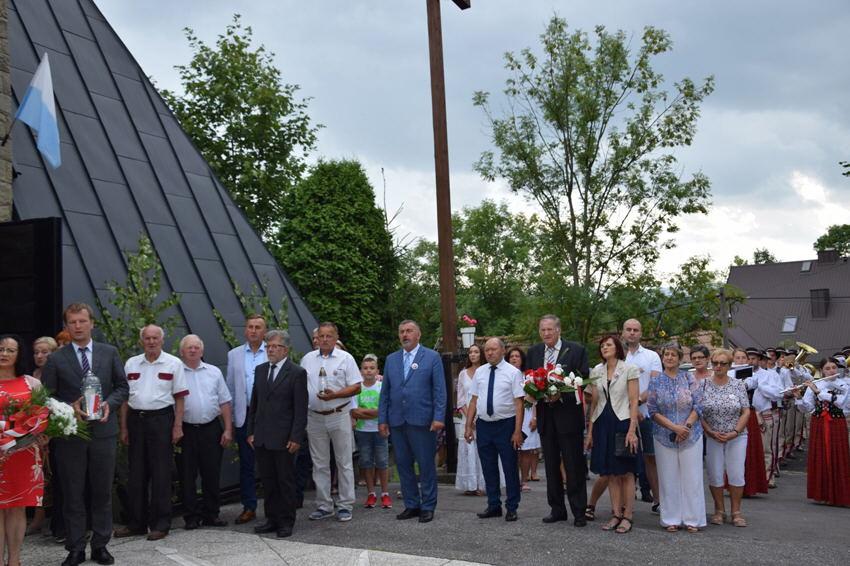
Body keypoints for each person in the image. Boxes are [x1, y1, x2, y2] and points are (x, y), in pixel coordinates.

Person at [41, 303, 129, 566]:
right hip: (71, 436)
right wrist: (69, 407)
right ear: (66, 326)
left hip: (104, 432)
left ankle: (100, 545)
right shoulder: (56, 359)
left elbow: (123, 387)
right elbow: (47, 396)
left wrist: (109, 404)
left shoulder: (109, 352)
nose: (78, 326)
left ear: (92, 323)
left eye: (82, 321)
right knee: (73, 492)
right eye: (72, 322)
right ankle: (76, 547)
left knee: (102, 492)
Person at [116, 325, 189, 541]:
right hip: (136, 421)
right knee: (136, 474)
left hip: (161, 421)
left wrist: (178, 426)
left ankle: (161, 524)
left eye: (155, 338)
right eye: (147, 338)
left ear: (162, 340)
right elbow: (125, 399)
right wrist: (124, 427)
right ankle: (136, 523)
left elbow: (180, 398)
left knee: (161, 474)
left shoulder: (173, 363)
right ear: (142, 341)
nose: (151, 342)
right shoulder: (131, 363)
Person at [378, 320, 446, 524]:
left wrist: (438, 417)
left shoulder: (432, 357)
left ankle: (428, 506)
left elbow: (439, 390)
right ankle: (411, 504)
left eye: (409, 331)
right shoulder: (391, 359)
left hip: (423, 420)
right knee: (403, 465)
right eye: (402, 331)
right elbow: (385, 392)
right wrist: (383, 419)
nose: (405, 335)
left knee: (426, 465)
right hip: (397, 420)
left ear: (418, 334)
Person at [526, 315, 589, 526]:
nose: (546, 333)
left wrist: (561, 393)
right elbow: (529, 379)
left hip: (568, 416)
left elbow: (582, 380)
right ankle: (557, 509)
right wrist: (536, 392)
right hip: (546, 416)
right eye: (543, 330)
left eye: (550, 329)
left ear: (558, 330)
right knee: (551, 466)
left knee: (573, 465)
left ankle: (579, 511)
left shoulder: (576, 350)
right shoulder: (534, 352)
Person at [247, 330, 308, 537]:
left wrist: (296, 437)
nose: (270, 350)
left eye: (275, 346)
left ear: (286, 350)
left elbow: (300, 409)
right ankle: (271, 519)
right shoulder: (261, 370)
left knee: (285, 481)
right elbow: (255, 403)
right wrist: (251, 431)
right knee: (268, 481)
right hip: (262, 437)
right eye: (268, 346)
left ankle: (286, 521)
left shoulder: (296, 373)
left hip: (285, 438)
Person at [300, 322, 362, 522]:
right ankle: (324, 505)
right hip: (314, 416)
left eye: (329, 336)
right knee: (319, 463)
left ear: (336, 338)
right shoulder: (307, 359)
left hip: (339, 414)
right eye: (321, 336)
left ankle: (345, 505)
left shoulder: (346, 358)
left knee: (344, 462)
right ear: (316, 338)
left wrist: (335, 395)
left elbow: (357, 387)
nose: (325, 339)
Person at [463, 338, 524, 522]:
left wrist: (517, 431)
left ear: (503, 350)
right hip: (484, 425)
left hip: (506, 425)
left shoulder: (513, 373)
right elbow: (474, 400)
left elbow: (519, 403)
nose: (489, 353)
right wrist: (468, 426)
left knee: (509, 467)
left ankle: (512, 507)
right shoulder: (480, 372)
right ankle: (493, 505)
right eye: (487, 350)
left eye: (493, 349)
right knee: (488, 467)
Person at [647, 342, 705, 533]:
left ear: (680, 359)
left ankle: (693, 519)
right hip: (664, 435)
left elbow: (699, 405)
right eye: (666, 354)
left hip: (691, 434)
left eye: (673, 355)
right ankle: (670, 518)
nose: (669, 358)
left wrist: (686, 427)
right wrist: (674, 428)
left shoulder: (689, 378)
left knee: (692, 477)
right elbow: (652, 410)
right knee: (668, 477)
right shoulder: (655, 381)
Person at [585, 335, 640, 534]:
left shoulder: (629, 369)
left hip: (622, 421)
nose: (604, 347)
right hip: (602, 422)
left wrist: (632, 430)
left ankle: (628, 516)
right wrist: (590, 432)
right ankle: (616, 514)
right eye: (602, 345)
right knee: (610, 472)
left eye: (608, 344)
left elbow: (634, 401)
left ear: (617, 347)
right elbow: (594, 403)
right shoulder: (596, 371)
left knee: (626, 471)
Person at [178, 335, 233, 530]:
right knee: (187, 475)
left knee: (212, 473)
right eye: (189, 348)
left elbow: (224, 401)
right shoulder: (176, 372)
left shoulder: (214, 372)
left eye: (196, 347)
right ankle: (191, 517)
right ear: (182, 352)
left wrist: (228, 429)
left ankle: (212, 514)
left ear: (202, 351)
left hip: (211, 429)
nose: (193, 350)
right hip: (186, 430)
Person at [0, 335, 44, 566]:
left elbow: (42, 416)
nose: (4, 354)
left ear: (19, 354)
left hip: (23, 453)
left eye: (10, 350)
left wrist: (43, 434)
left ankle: (14, 561)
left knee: (17, 508)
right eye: (1, 349)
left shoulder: (31, 383)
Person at [224, 314, 268, 525]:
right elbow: (231, 388)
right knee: (247, 465)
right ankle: (249, 506)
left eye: (258, 327)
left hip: (267, 417)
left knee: (269, 463)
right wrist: (232, 420)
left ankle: (273, 506)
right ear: (245, 330)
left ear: (264, 331)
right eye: (250, 327)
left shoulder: (272, 351)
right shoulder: (234, 355)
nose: (253, 330)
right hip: (244, 415)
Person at [701, 348, 750, 527]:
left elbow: (746, 411)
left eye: (723, 363)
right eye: (715, 363)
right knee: (715, 473)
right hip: (712, 435)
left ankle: (736, 511)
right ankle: (719, 510)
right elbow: (698, 412)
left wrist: (735, 432)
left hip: (736, 435)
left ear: (730, 365)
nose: (718, 366)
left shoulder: (738, 385)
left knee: (736, 473)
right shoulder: (703, 385)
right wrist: (709, 431)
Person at [797, 357, 850, 507]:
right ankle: (823, 494)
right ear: (822, 371)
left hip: (836, 423)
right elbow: (807, 408)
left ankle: (839, 495)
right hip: (819, 423)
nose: (831, 371)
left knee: (837, 455)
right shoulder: (816, 384)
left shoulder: (844, 384)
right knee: (821, 456)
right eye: (827, 368)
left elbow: (840, 402)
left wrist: (818, 391)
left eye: (833, 368)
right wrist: (798, 397)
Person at [622, 318, 662, 511]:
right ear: (623, 332)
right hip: (622, 415)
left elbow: (655, 385)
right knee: (623, 459)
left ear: (641, 333)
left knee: (651, 458)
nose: (632, 333)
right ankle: (623, 503)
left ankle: (659, 501)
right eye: (628, 329)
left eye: (635, 330)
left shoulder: (652, 356)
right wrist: (631, 410)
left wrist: (637, 404)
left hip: (647, 415)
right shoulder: (617, 356)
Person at [27, 336, 59, 537]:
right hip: (32, 432)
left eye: (44, 352)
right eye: (36, 352)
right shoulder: (30, 377)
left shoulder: (56, 373)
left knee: (51, 475)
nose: (39, 356)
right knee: (37, 476)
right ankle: (38, 517)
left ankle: (52, 519)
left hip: (52, 432)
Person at [351, 354, 391, 509]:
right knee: (366, 462)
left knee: (382, 462)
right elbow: (354, 411)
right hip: (362, 431)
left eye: (372, 368)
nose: (368, 371)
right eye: (365, 368)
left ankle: (385, 493)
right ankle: (371, 493)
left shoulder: (381, 387)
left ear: (377, 371)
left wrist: (365, 412)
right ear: (361, 371)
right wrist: (376, 412)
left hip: (380, 429)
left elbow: (385, 409)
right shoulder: (357, 388)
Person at [740, 348, 774, 493]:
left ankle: (767, 478)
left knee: (765, 448)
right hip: (743, 414)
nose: (750, 361)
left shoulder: (768, 375)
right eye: (748, 358)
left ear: (759, 360)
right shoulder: (737, 373)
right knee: (745, 450)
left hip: (762, 412)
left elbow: (777, 394)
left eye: (753, 358)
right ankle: (744, 481)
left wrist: (761, 386)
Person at [455, 344, 486, 495]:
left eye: (476, 352)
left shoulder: (486, 371)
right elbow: (460, 399)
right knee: (468, 450)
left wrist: (478, 417)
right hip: (467, 416)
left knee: (483, 450)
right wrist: (470, 419)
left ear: (481, 354)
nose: (473, 354)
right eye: (470, 352)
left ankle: (483, 484)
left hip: (484, 416)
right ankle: (470, 484)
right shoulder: (463, 374)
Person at [507, 347, 540, 489]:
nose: (514, 358)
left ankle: (524, 480)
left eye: (517, 356)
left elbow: (536, 399)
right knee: (511, 450)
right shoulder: (505, 375)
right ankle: (512, 481)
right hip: (510, 414)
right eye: (511, 356)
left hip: (527, 415)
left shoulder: (529, 377)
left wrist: (535, 417)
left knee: (526, 449)